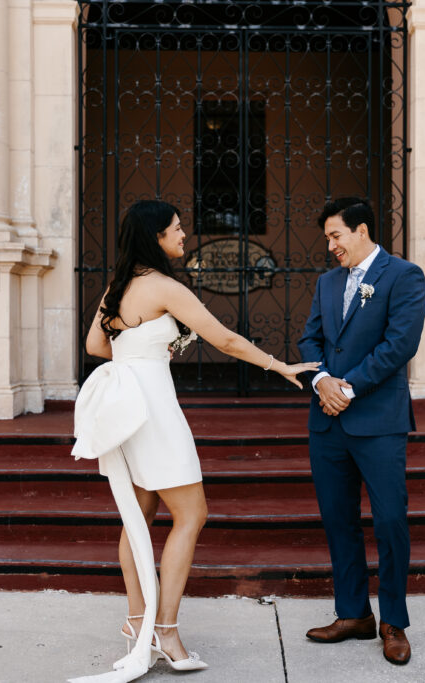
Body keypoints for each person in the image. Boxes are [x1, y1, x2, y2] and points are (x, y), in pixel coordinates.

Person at [70, 200, 318, 682]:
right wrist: (279, 365)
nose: (184, 235)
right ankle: (163, 628)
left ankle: (136, 620)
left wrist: (146, 349)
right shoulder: (164, 287)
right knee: (192, 512)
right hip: (155, 411)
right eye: (177, 229)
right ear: (155, 237)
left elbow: (96, 348)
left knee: (138, 515)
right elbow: (224, 340)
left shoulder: (118, 287)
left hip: (126, 408)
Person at [297, 197, 425, 666]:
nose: (330, 245)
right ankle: (353, 613)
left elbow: (400, 344)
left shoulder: (403, 275)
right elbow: (309, 339)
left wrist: (348, 387)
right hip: (326, 420)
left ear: (362, 230)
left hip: (377, 421)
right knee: (339, 520)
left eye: (336, 235)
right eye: (328, 238)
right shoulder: (327, 282)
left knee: (390, 520)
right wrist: (320, 381)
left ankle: (393, 620)